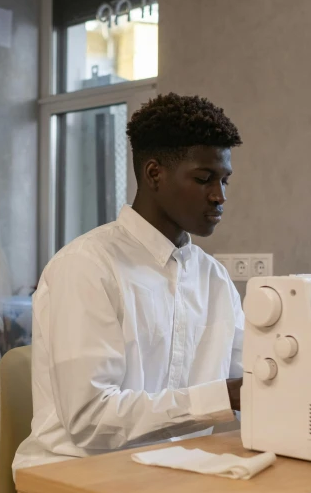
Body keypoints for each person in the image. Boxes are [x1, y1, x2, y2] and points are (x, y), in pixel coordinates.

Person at [13, 94, 245, 473]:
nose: (219, 196)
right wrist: (222, 396)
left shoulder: (212, 277)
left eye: (225, 181)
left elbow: (257, 373)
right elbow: (91, 419)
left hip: (170, 475)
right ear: (154, 174)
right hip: (74, 481)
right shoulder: (86, 266)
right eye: (204, 179)